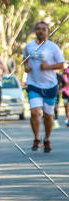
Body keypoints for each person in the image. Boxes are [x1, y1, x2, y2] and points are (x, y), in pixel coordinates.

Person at [23, 21, 65, 153]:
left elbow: (62, 65)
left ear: (48, 32)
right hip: (34, 85)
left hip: (50, 86)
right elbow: (25, 59)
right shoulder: (29, 46)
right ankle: (36, 138)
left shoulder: (53, 47)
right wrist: (26, 67)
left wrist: (48, 67)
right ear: (35, 31)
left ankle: (47, 139)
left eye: (43, 29)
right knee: (34, 112)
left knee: (48, 116)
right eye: (38, 29)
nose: (40, 31)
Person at [60, 62, 69, 126]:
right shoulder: (63, 76)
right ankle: (67, 118)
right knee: (66, 107)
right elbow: (61, 84)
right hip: (65, 93)